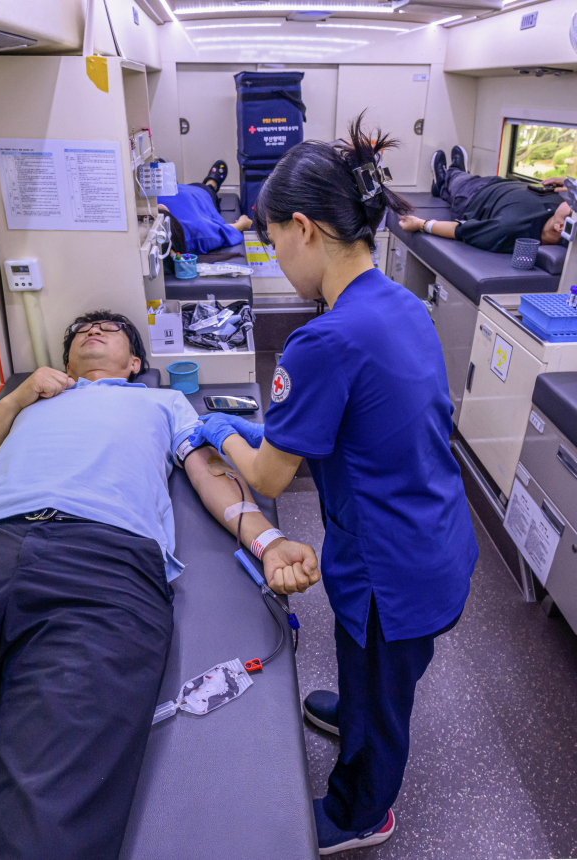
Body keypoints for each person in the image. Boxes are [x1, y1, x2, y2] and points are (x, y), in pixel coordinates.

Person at [187, 114, 479, 856]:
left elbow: (265, 474)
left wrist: (215, 430)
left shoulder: (323, 340)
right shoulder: (397, 304)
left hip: (393, 568)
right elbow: (358, 421)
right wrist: (263, 427)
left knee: (381, 692)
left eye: (272, 241)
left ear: (304, 229)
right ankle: (353, 713)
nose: (275, 256)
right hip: (434, 530)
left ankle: (362, 811)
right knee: (369, 674)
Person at [0, 310, 320, 860]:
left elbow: (209, 473)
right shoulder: (29, 403)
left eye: (109, 328)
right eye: (81, 330)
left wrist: (269, 541)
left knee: (45, 810)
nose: (93, 330)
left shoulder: (163, 402)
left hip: (104, 562)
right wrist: (16, 399)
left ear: (135, 362)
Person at [398, 145, 571, 253]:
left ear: (560, 227)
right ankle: (446, 183)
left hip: (473, 196)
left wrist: (421, 224)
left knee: (457, 178)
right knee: (461, 180)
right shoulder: (562, 207)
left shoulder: (510, 228)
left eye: (573, 207)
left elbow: (460, 230)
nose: (573, 201)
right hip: (500, 183)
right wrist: (567, 182)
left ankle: (446, 177)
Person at [157, 159, 253, 256]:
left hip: (175, 189)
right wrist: (243, 223)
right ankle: (212, 184)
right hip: (201, 194)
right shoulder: (195, 231)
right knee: (209, 189)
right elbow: (224, 231)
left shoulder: (151, 204)